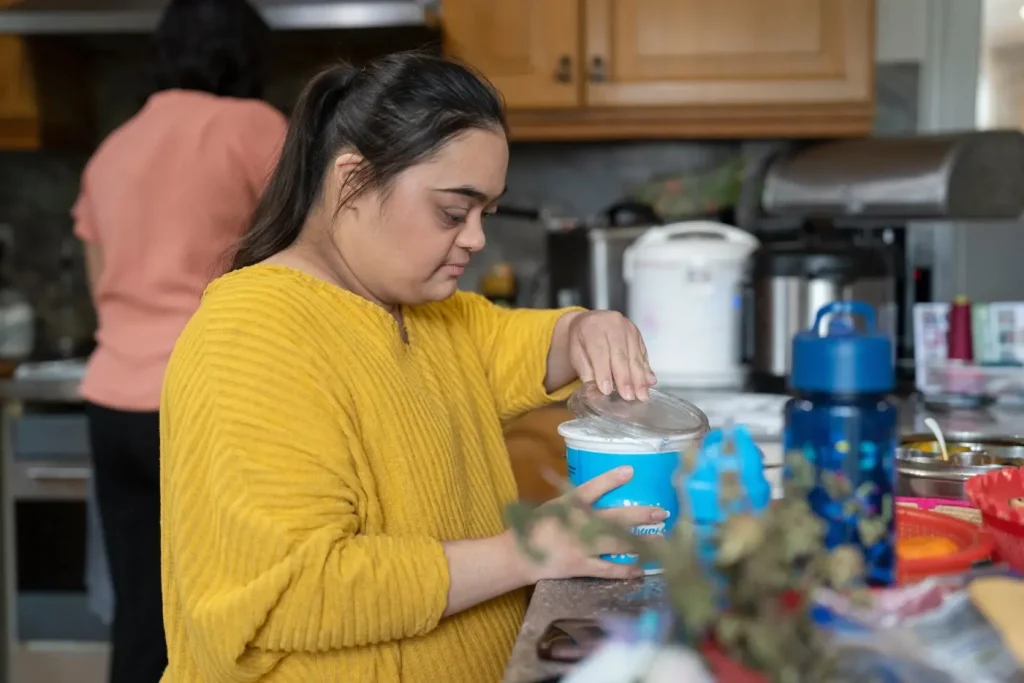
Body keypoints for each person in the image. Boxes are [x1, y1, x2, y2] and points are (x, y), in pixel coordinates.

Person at [160, 51, 662, 683]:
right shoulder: (251, 336)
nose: (476, 238)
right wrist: (525, 551)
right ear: (352, 182)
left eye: (486, 214)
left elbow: (526, 341)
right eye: (454, 212)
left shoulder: (422, 310)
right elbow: (289, 591)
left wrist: (589, 327)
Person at [71, 1, 287, 681]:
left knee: (143, 604)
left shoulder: (113, 148)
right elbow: (303, 254)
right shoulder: (254, 128)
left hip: (113, 400)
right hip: (205, 399)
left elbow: (98, 279)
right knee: (226, 607)